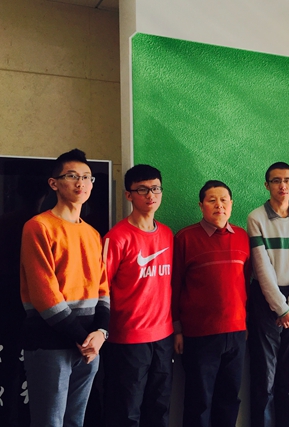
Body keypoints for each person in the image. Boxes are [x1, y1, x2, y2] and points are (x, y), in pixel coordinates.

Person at [19, 148, 110, 427]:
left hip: (88, 346)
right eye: (72, 176)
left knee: (75, 421)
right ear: (54, 183)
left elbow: (103, 288)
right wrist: (85, 339)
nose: (81, 183)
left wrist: (101, 333)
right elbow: (44, 294)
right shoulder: (38, 226)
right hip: (50, 344)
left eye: (87, 177)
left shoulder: (92, 233)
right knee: (50, 422)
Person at [172, 180, 251, 427]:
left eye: (224, 200)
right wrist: (177, 328)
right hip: (199, 334)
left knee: (229, 398)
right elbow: (174, 286)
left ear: (231, 204)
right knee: (199, 401)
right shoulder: (185, 238)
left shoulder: (242, 237)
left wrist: (246, 323)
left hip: (236, 332)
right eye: (212, 200)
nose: (219, 205)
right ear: (201, 205)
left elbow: (246, 283)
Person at [102, 164, 174, 427]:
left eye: (155, 188)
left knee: (159, 408)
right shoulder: (117, 237)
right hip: (128, 339)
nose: (150, 195)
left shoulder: (167, 234)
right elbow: (101, 288)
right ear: (128, 195)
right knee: (126, 411)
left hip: (163, 337)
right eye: (142, 190)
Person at [247, 162, 289, 427]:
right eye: (276, 180)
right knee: (265, 375)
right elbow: (262, 268)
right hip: (266, 300)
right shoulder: (256, 218)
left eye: (287, 180)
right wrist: (281, 308)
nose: (282, 185)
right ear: (267, 185)